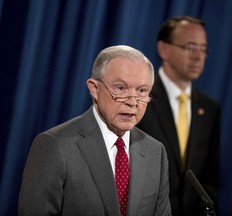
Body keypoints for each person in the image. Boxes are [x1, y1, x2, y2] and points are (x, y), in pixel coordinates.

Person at [18, 45, 172, 216]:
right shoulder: (55, 145)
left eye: (141, 91)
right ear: (94, 89)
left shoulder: (155, 151)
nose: (132, 101)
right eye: (121, 88)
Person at [137, 16, 221, 215]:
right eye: (191, 48)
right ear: (164, 49)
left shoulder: (209, 108)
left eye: (203, 49)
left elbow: (210, 176)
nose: (198, 57)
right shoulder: (140, 97)